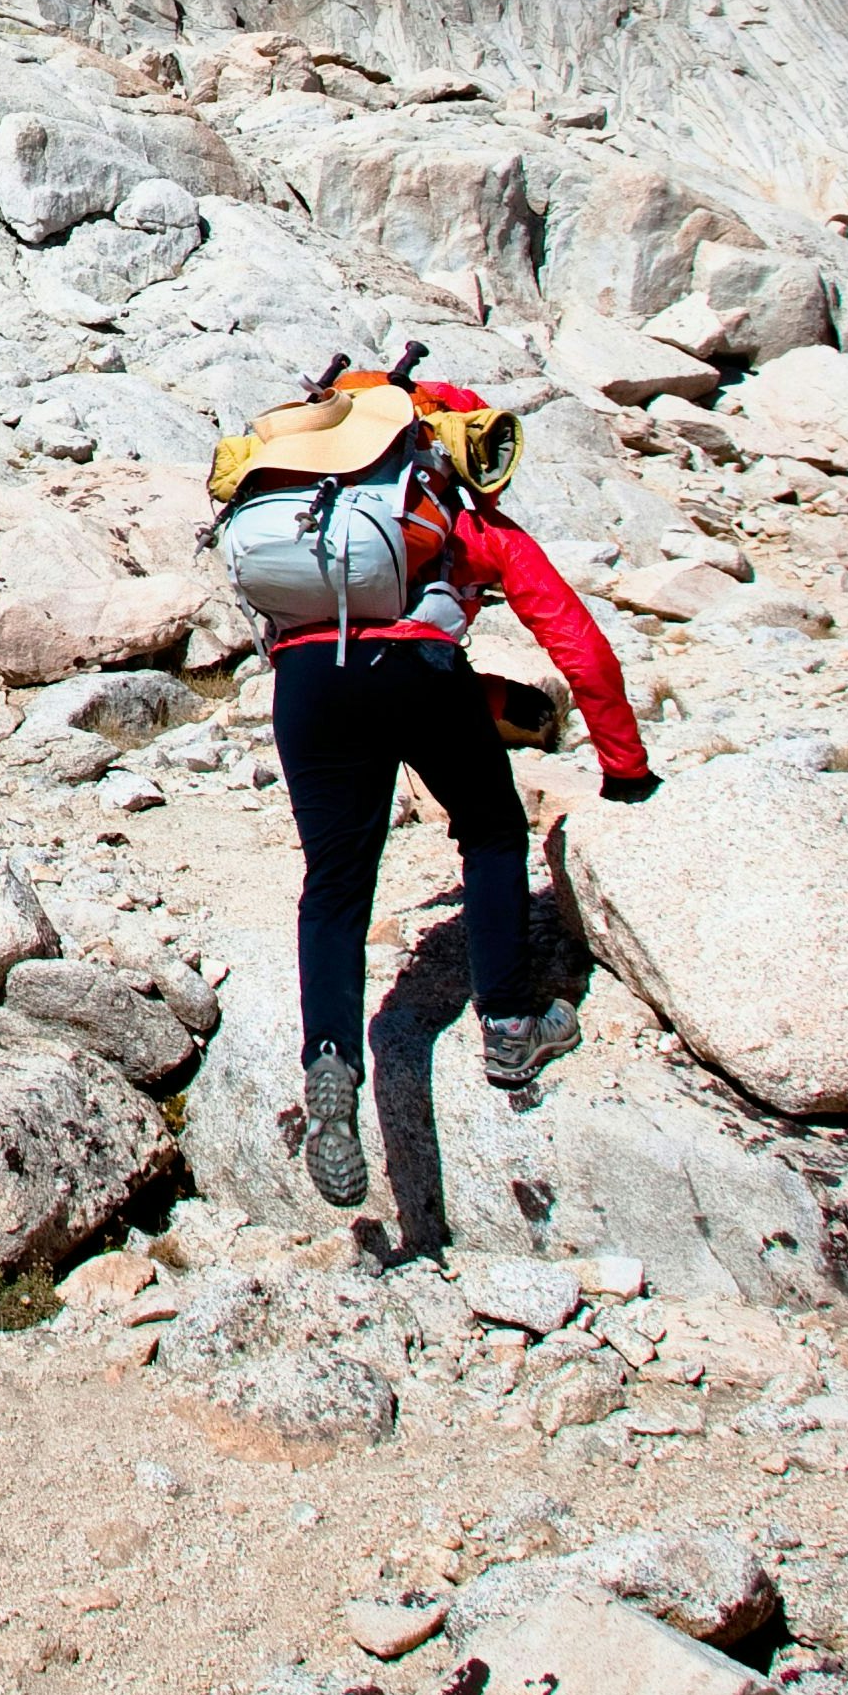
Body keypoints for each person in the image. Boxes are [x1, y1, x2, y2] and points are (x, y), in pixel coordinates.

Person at [246, 360, 655, 1212]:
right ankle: (509, 1025)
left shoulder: (310, 512)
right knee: (493, 829)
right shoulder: (458, 525)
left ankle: (330, 1057)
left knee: (334, 888)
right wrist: (624, 769)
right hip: (421, 673)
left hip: (307, 681)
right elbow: (581, 649)